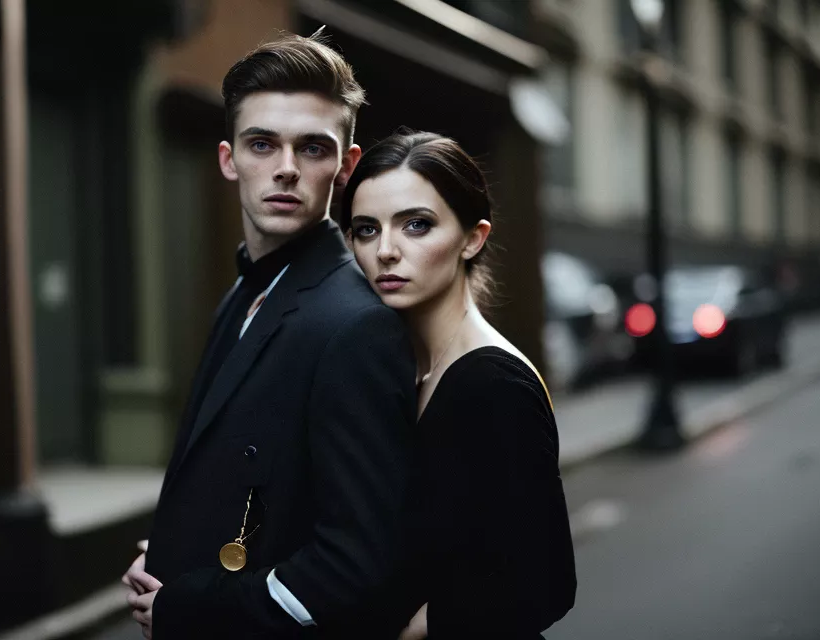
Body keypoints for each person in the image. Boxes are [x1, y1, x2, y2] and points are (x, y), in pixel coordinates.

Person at [122, 31, 417, 640]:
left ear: (347, 166)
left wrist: (197, 603)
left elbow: (355, 560)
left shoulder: (357, 324)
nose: (286, 168)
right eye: (263, 144)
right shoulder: (242, 293)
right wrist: (173, 555)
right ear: (230, 159)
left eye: (312, 147)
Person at [339, 130, 577, 640]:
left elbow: (545, 584)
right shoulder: (401, 370)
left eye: (416, 225)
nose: (385, 251)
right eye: (365, 230)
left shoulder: (494, 383)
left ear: (473, 237)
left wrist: (420, 627)